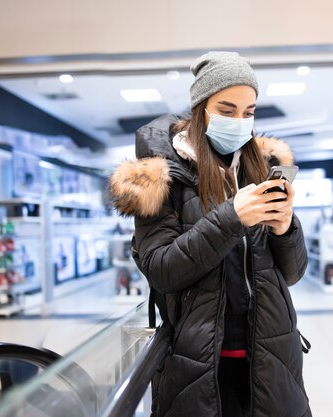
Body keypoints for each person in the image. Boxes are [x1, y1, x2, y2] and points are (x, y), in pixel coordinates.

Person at [110, 51, 311, 417]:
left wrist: (285, 229)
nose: (240, 121)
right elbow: (162, 269)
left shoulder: (259, 167)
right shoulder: (158, 178)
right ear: (201, 108)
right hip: (199, 362)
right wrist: (231, 217)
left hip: (271, 355)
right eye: (227, 109)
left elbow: (293, 274)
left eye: (249, 112)